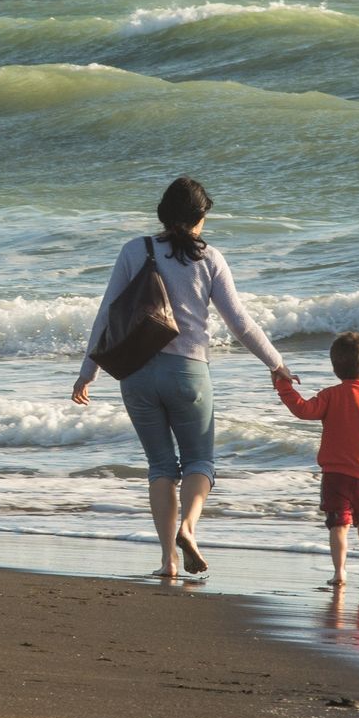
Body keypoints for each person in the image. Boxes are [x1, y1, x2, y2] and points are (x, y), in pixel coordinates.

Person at [73, 177, 294, 579]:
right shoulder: (210, 259)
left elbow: (106, 314)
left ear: (163, 212)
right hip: (189, 373)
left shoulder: (134, 250)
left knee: (160, 467)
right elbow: (240, 322)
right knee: (199, 461)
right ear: (200, 216)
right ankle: (188, 529)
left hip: (136, 374)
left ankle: (167, 562)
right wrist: (276, 363)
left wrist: (88, 372)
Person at [273, 331, 359, 585]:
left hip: (335, 476)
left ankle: (339, 572)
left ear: (335, 368)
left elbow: (303, 410)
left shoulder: (330, 395)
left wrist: (284, 385)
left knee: (338, 524)